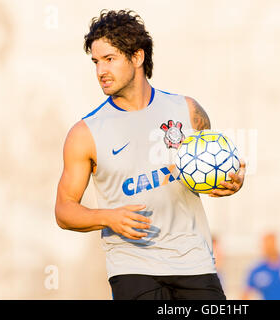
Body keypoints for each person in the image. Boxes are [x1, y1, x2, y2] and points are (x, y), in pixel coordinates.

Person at [54, 9, 246, 300]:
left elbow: (214, 168)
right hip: (132, 267)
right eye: (96, 62)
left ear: (137, 57)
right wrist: (108, 217)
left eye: (110, 59)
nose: (100, 71)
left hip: (194, 260)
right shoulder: (84, 133)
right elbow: (64, 210)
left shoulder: (189, 111)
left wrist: (231, 181)